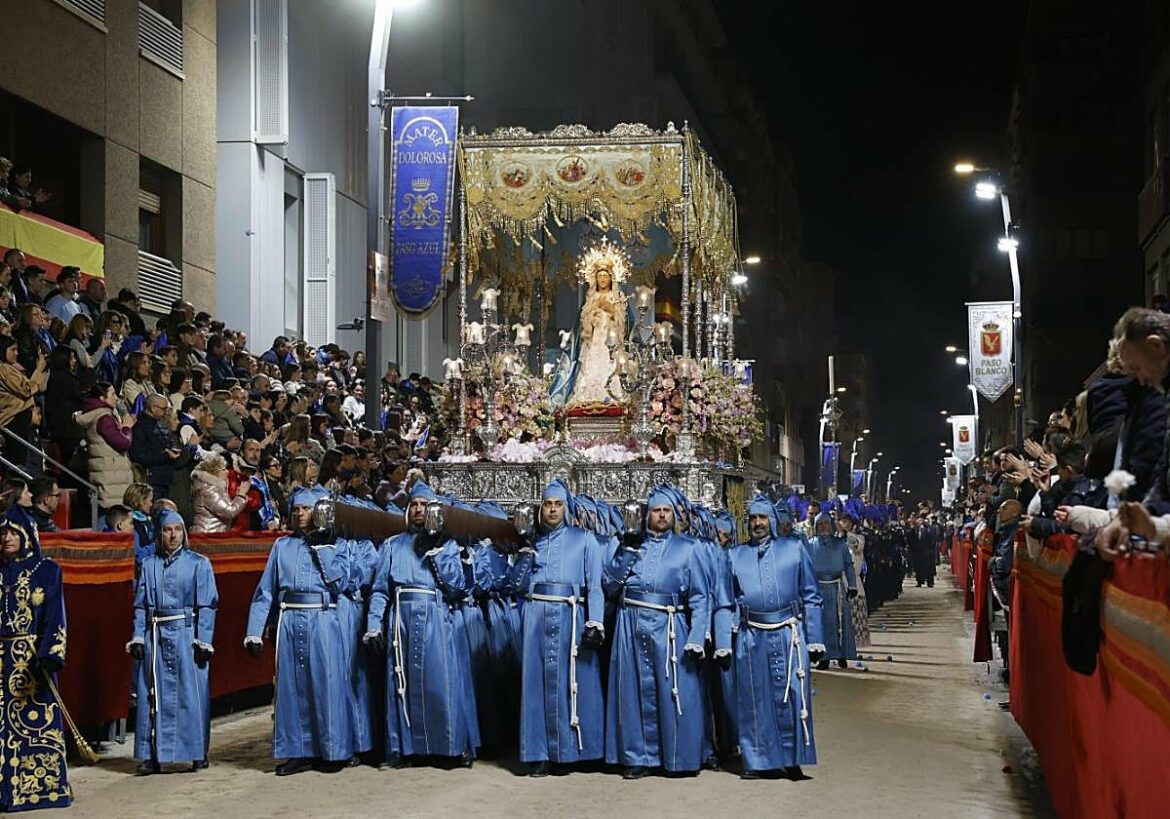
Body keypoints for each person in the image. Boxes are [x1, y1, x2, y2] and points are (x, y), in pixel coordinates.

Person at [245, 485, 361, 776]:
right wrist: (254, 630)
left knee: (327, 684)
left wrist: (323, 549)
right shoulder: (282, 546)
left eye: (306, 509)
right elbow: (265, 592)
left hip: (323, 620)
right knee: (291, 689)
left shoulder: (338, 544)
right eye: (296, 510)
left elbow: (342, 584)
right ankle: (297, 752)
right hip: (289, 620)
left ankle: (333, 750)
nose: (300, 514)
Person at [364, 481, 476, 768]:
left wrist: (436, 552)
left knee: (441, 682)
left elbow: (457, 587)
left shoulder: (448, 545)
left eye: (424, 505)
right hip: (400, 618)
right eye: (414, 504)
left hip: (435, 617)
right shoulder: (392, 545)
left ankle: (449, 747)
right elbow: (379, 590)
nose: (417, 510)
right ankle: (402, 749)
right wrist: (374, 624)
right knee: (401, 683)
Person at [603, 485, 710, 779]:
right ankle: (638, 757)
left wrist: (697, 637)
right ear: (646, 515)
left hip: (671, 626)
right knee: (633, 688)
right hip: (631, 624)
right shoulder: (629, 545)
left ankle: (678, 756)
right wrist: (626, 549)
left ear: (674, 515)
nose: (661, 516)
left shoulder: (690, 548)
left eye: (666, 511)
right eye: (656, 511)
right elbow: (610, 585)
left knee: (673, 689)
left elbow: (701, 597)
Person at [509, 480, 606, 776]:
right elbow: (515, 585)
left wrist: (596, 620)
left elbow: (596, 587)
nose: (552, 509)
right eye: (548, 504)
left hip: (571, 614)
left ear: (566, 508)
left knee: (576, 682)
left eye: (558, 504)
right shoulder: (532, 543)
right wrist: (524, 555)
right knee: (537, 684)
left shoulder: (585, 539)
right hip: (537, 615)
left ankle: (581, 750)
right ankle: (539, 752)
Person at [728, 497, 824, 779]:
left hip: (788, 633)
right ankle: (756, 760)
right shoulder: (735, 555)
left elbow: (812, 595)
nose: (758, 523)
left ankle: (792, 758)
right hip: (750, 635)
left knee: (793, 694)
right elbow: (728, 599)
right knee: (753, 698)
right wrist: (726, 636)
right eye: (753, 518)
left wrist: (816, 637)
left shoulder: (794, 548)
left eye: (763, 517)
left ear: (772, 520)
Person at [128, 509, 218, 774]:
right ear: (160, 533)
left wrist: (204, 641)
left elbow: (207, 606)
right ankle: (151, 755)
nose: (173, 535)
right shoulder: (149, 565)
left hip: (185, 636)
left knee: (191, 695)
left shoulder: (199, 563)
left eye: (177, 529)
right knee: (151, 695)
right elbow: (141, 606)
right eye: (167, 530)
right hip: (154, 635)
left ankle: (196, 751)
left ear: (184, 532)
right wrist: (137, 637)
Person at [0, 516, 71, 810]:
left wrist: (50, 655)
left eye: (12, 533)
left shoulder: (47, 571)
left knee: (36, 727)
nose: (6, 538)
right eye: (2, 533)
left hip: (32, 663)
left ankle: (39, 789)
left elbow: (56, 616)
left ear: (27, 534)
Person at [569, 257, 627, 405]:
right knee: (591, 368)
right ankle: (589, 398)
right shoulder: (591, 297)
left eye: (605, 276)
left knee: (611, 366)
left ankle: (614, 397)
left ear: (611, 278)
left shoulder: (617, 296)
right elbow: (583, 321)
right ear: (595, 278)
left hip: (611, 339)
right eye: (599, 276)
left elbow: (624, 322)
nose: (602, 279)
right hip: (595, 340)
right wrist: (592, 316)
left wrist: (611, 310)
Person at [73, 381, 136, 510]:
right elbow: (122, 443)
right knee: (112, 516)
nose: (116, 398)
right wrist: (126, 428)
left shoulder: (95, 415)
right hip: (111, 478)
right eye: (112, 394)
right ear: (102, 398)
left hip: (105, 474)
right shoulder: (104, 417)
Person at [807, 512, 857, 670]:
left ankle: (842, 654)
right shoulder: (810, 544)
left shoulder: (840, 544)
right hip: (817, 589)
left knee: (839, 623)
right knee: (821, 624)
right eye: (819, 524)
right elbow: (805, 568)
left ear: (831, 525)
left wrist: (853, 585)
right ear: (815, 527)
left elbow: (848, 564)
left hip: (837, 589)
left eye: (826, 524)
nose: (823, 527)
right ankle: (824, 657)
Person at [129, 393, 182, 501]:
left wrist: (173, 451)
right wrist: (166, 456)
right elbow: (139, 456)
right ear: (153, 408)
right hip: (152, 482)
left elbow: (167, 444)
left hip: (166, 480)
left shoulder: (161, 425)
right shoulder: (139, 428)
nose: (165, 412)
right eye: (163, 409)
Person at [190, 453, 251, 533]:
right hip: (207, 536)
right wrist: (241, 495)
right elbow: (229, 511)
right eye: (224, 469)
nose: (227, 472)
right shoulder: (208, 490)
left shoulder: (214, 487)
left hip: (211, 535)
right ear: (214, 471)